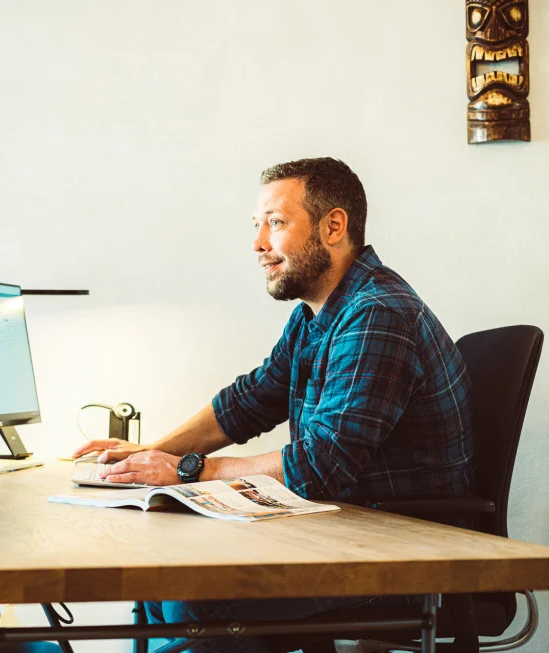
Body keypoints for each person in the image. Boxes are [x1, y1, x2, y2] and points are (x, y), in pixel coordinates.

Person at [72, 157, 474, 653]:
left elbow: (319, 466)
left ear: (333, 227)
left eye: (276, 223)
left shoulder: (379, 314)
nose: (258, 244)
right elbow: (249, 402)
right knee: (165, 580)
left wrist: (184, 470)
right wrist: (148, 454)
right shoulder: (320, 312)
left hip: (401, 554)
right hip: (347, 530)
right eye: (257, 226)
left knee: (192, 599)